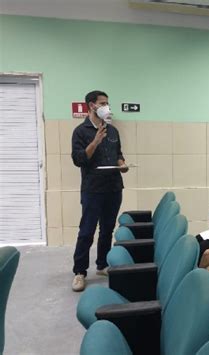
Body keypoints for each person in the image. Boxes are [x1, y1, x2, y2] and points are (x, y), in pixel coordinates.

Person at [71, 90, 128, 292]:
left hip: (113, 187)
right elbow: (79, 160)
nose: (106, 107)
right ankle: (79, 272)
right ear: (91, 105)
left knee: (107, 229)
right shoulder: (81, 131)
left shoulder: (112, 131)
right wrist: (95, 141)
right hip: (92, 189)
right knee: (87, 231)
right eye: (102, 103)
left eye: (107, 103)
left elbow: (118, 154)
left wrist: (122, 164)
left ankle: (102, 264)